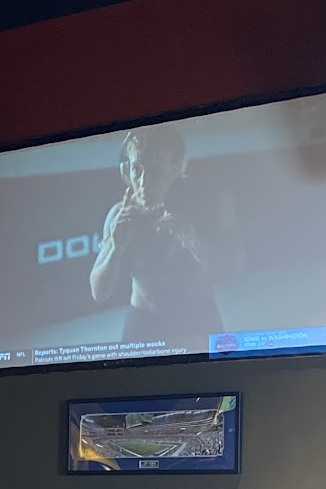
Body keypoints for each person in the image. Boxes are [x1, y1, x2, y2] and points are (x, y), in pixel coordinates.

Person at [89, 127, 236, 351]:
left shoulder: (203, 206)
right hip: (145, 322)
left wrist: (192, 241)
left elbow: (228, 271)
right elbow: (99, 293)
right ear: (126, 170)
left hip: (199, 317)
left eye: (156, 170)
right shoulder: (119, 216)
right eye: (137, 169)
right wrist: (116, 248)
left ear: (176, 168)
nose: (144, 181)